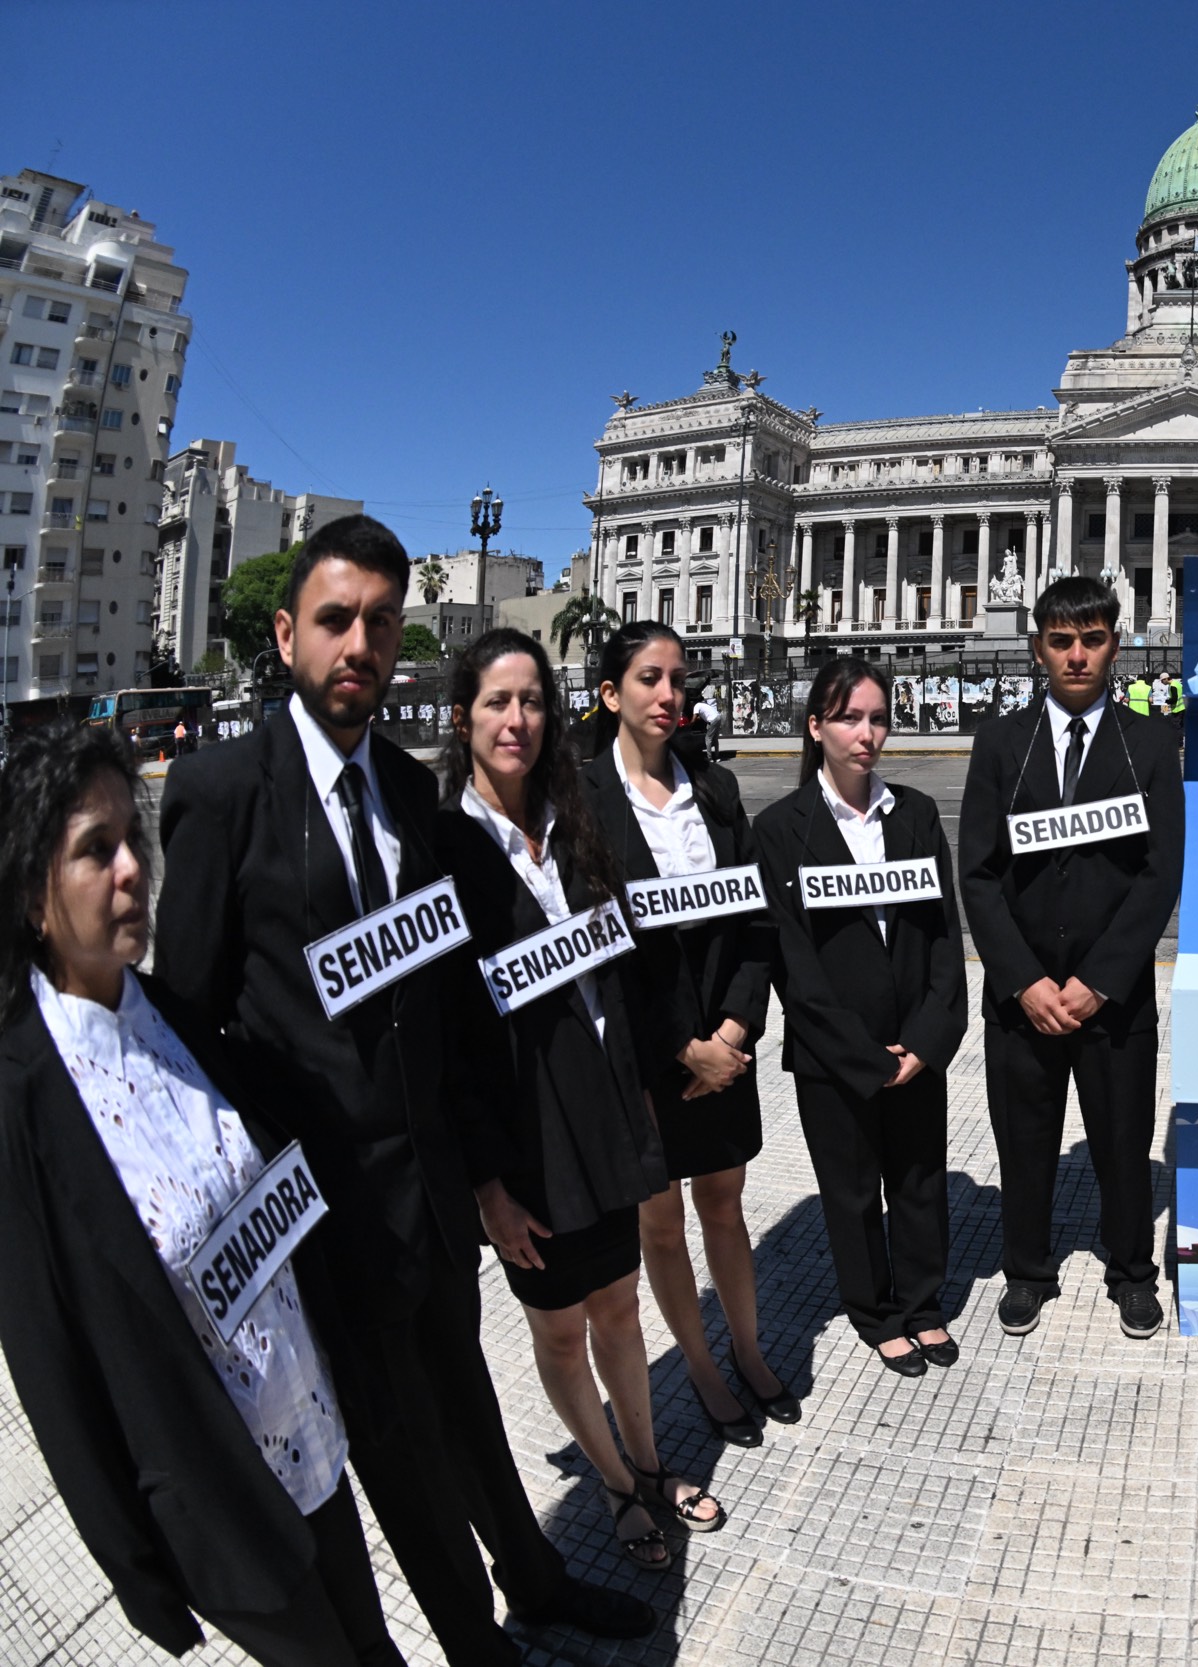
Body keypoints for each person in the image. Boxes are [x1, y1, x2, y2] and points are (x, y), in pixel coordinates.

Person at [155, 516, 652, 1665]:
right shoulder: (222, 789)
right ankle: (477, 1643)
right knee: (403, 1453)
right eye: (336, 619)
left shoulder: (405, 795)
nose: (360, 644)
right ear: (287, 635)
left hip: (433, 1198)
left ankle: (534, 1577)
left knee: (467, 1404)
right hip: (328, 1219)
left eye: (381, 621)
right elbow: (192, 1026)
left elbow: (433, 1011)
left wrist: (477, 1175)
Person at [0, 725, 405, 1667]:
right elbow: (53, 1368)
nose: (133, 869)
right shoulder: (21, 1099)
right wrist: (140, 1571)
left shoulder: (177, 1014)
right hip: (222, 1497)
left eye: (133, 840)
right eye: (96, 851)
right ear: (31, 893)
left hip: (311, 1426)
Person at [433, 630, 725, 1572]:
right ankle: (613, 1483)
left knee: (621, 1307)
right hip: (524, 1135)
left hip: (607, 1106)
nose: (516, 719)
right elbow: (447, 1037)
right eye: (495, 701)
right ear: (463, 718)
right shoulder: (444, 849)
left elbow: (624, 969)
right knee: (560, 1326)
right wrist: (487, 1183)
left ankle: (650, 1462)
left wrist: (653, 1078)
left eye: (531, 701)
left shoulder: (574, 817)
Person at [579, 621, 796, 1446]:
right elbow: (605, 949)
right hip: (646, 1051)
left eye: (677, 678)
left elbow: (755, 919)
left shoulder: (716, 791)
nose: (669, 694)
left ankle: (747, 1344)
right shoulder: (587, 802)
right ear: (611, 695)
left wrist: (735, 1030)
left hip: (724, 1041)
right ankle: (701, 1364)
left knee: (726, 1206)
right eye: (647, 678)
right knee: (661, 1222)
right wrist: (683, 1046)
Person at [959, 575, 1183, 1340]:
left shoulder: (1150, 743)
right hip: (1023, 996)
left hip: (1111, 996)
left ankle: (1131, 1270)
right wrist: (1023, 981)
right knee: (1024, 1139)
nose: (1077, 655)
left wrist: (1098, 981)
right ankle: (1028, 1268)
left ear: (1116, 645)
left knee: (1123, 1140)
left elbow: (1160, 874)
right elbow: (979, 874)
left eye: (1092, 639)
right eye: (1061, 641)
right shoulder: (1001, 743)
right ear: (1037, 649)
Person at [756, 659, 968, 1375]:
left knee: (918, 1178)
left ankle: (923, 1300)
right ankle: (875, 1310)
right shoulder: (780, 830)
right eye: (850, 717)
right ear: (815, 726)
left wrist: (929, 1039)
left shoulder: (913, 813)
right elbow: (795, 967)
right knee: (851, 1191)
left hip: (915, 1042)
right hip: (834, 1057)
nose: (867, 733)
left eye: (878, 717)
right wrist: (867, 1058)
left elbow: (944, 937)